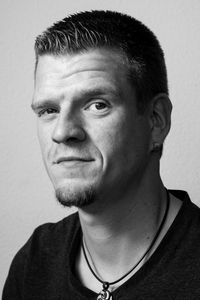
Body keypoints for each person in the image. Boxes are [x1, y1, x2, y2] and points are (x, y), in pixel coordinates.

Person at [3, 10, 200, 300]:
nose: (62, 131)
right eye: (49, 110)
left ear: (156, 120)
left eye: (97, 105)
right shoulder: (35, 260)